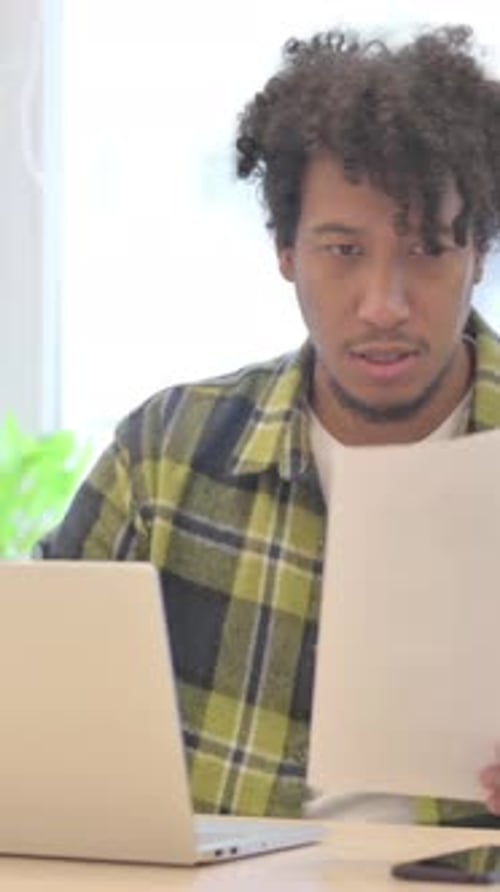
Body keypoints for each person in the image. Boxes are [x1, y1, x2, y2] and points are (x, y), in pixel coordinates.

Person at [40, 24, 500, 824]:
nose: (384, 305)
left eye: (427, 249)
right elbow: (25, 689)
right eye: (343, 249)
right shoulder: (165, 457)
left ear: (480, 253)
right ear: (286, 250)